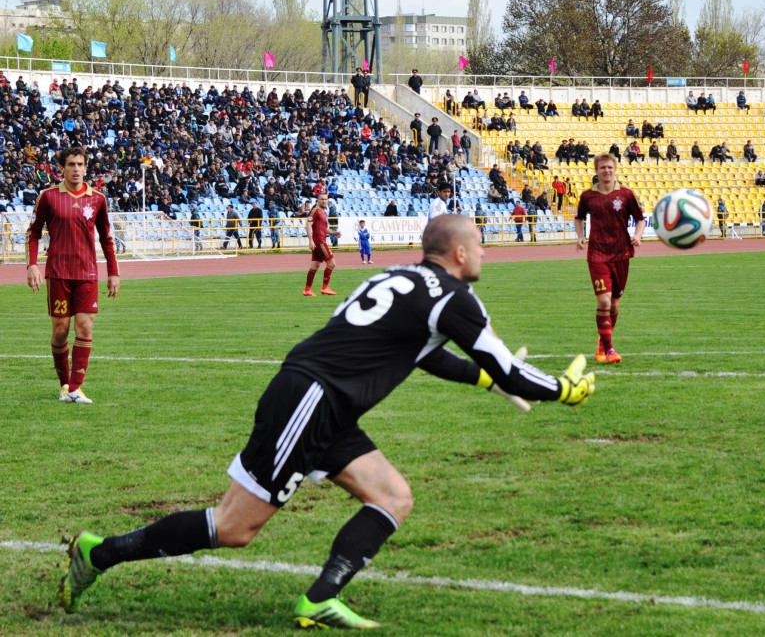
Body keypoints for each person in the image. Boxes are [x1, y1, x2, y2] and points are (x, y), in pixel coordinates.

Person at [57, 214, 597, 629]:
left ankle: (319, 599)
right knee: (234, 528)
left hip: (325, 403)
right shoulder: (456, 296)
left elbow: (424, 353)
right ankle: (98, 553)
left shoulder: (403, 278)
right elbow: (505, 365)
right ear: (459, 252)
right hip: (311, 401)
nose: (483, 252)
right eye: (478, 244)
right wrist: (563, 390)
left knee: (392, 497)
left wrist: (483, 382)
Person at [25, 146, 120, 404]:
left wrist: (113, 272)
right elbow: (33, 233)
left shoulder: (98, 198)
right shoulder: (49, 197)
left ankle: (75, 388)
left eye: (80, 164)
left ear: (86, 167)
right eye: (71, 164)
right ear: (62, 168)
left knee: (85, 327)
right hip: (58, 272)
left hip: (87, 272)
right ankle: (65, 385)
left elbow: (107, 239)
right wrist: (32, 265)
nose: (76, 169)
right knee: (60, 331)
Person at [575, 153, 645, 365]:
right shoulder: (588, 196)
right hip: (597, 253)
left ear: (615, 169)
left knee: (614, 304)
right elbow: (578, 218)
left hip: (621, 252)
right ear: (596, 170)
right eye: (602, 167)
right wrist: (580, 236)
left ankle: (602, 342)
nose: (606, 170)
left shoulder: (626, 194)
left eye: (609, 167)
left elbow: (640, 220)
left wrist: (637, 236)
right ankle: (610, 348)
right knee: (604, 300)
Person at [304, 193, 338, 296]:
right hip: (319, 242)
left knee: (315, 266)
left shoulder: (324, 213)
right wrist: (310, 240)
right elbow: (308, 225)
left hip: (320, 240)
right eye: (322, 199)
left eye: (326, 199)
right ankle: (325, 287)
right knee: (332, 264)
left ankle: (307, 290)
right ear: (318, 201)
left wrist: (334, 233)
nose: (324, 201)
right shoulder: (315, 211)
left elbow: (324, 229)